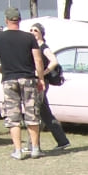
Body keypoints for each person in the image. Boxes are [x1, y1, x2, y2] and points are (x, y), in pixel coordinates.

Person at [0, 7, 46, 160]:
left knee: (13, 116)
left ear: (6, 20)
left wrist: (2, 71)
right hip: (28, 78)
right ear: (19, 20)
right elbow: (38, 60)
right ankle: (34, 148)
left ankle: (18, 150)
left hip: (9, 79)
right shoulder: (29, 38)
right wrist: (40, 79)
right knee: (32, 113)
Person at [29, 23, 69, 151]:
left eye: (35, 30)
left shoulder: (43, 47)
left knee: (36, 111)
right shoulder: (32, 46)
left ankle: (32, 145)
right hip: (35, 81)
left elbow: (54, 61)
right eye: (31, 30)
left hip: (42, 82)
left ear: (41, 33)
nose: (33, 32)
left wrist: (43, 72)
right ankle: (62, 140)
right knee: (44, 112)